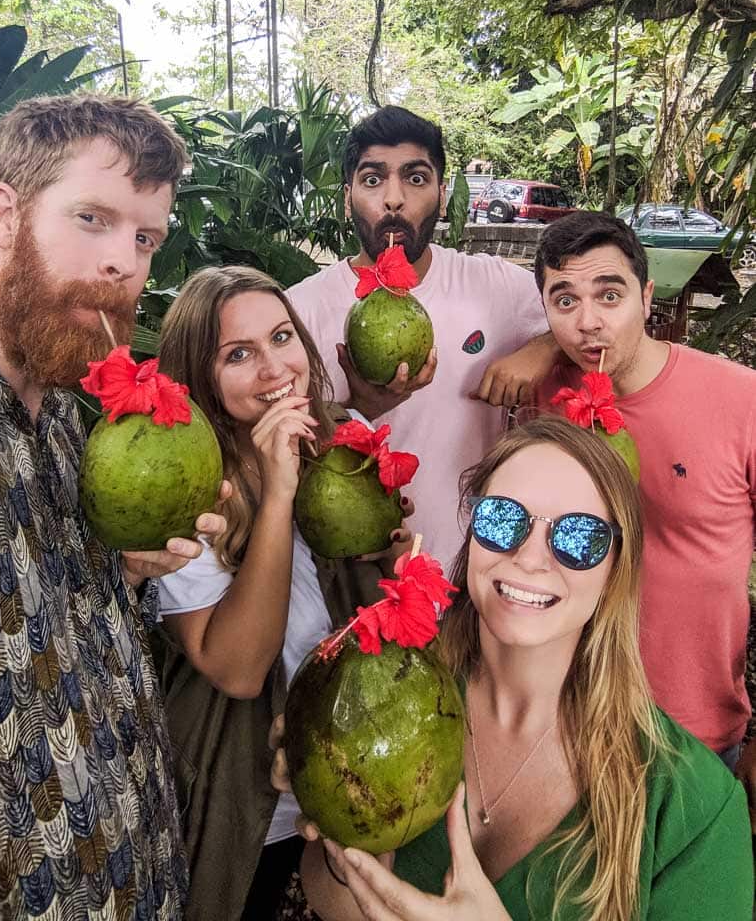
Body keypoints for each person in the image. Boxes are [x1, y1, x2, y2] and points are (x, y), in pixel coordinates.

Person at [0, 94, 229, 920]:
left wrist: (123, 572)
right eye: (92, 218)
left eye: (145, 239)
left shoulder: (65, 421)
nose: (122, 265)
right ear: (4, 212)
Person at [276, 417, 753, 921]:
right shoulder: (386, 693)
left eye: (577, 536)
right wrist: (342, 832)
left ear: (616, 568)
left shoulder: (695, 810)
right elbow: (333, 899)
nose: (529, 558)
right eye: (502, 519)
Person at [152, 265, 410, 921]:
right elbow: (237, 669)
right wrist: (277, 494)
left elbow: (371, 594)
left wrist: (395, 557)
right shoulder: (185, 488)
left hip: (354, 783)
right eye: (238, 354)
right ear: (199, 376)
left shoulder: (343, 437)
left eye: (281, 338)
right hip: (248, 804)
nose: (275, 370)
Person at [530, 210, 756, 824]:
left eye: (610, 295)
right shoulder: (541, 401)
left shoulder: (740, 400)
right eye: (564, 300)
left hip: (696, 730)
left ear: (647, 295)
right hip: (570, 721)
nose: (588, 322)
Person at [286, 106, 559, 569]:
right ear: (348, 194)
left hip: (476, 569)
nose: (394, 199)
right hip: (347, 574)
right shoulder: (298, 311)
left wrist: (543, 348)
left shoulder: (495, 287)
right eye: (373, 180)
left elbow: (590, 328)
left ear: (440, 191)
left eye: (415, 178)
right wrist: (361, 407)